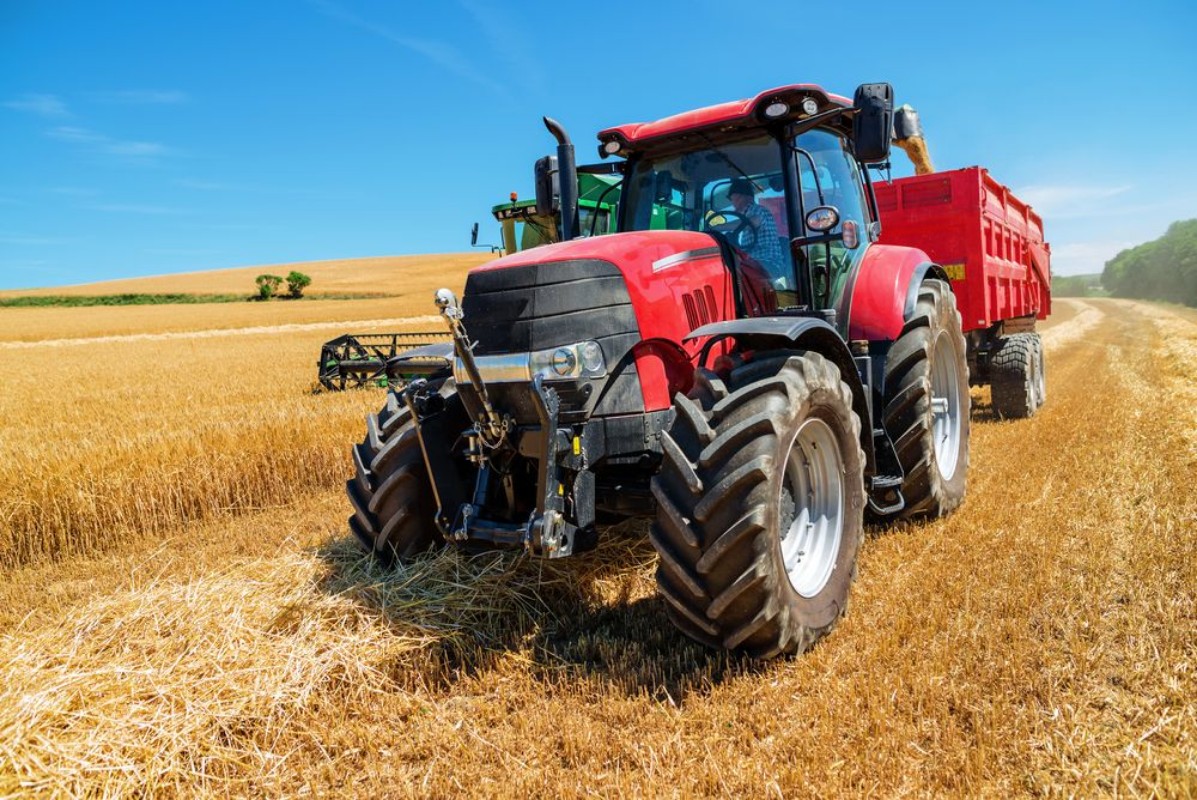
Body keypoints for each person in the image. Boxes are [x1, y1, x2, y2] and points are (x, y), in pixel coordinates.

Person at [725, 178, 786, 276]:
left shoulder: (757, 210)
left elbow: (752, 222)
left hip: (768, 264)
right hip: (756, 264)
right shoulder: (749, 215)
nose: (733, 204)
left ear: (740, 197)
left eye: (733, 200)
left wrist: (718, 227)